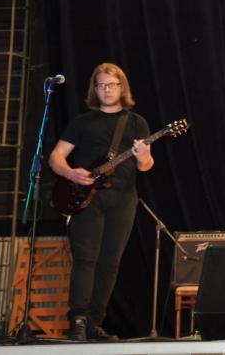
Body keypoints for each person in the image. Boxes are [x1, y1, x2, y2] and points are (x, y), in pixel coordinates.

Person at [49, 63, 153, 341]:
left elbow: (145, 166)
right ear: (94, 89)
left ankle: (94, 323)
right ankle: (78, 321)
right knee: (86, 259)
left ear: (122, 88)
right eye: (101, 85)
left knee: (110, 263)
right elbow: (56, 157)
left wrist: (143, 155)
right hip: (86, 198)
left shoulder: (136, 122)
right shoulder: (82, 122)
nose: (107, 90)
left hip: (123, 199)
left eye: (112, 85)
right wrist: (70, 173)